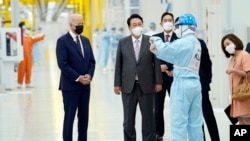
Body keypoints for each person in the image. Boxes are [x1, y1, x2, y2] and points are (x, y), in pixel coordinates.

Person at [150, 13, 204, 141]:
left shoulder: (183, 42)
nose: (176, 29)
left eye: (178, 26)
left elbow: (166, 49)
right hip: (195, 85)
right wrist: (157, 52)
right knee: (195, 123)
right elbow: (176, 57)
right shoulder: (195, 42)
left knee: (178, 123)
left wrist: (154, 39)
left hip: (182, 85)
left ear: (185, 27)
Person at [114, 13, 163, 141]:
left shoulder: (150, 41)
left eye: (140, 24)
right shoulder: (123, 42)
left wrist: (158, 82)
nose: (138, 27)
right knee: (128, 121)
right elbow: (118, 64)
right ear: (129, 27)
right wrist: (117, 84)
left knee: (148, 120)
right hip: (128, 87)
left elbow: (156, 62)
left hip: (146, 86)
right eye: (134, 25)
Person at [56, 13, 96, 141]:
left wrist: (89, 75)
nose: (80, 26)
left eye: (82, 24)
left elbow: (91, 61)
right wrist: (78, 78)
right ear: (70, 25)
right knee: (70, 117)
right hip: (70, 86)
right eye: (78, 24)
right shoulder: (62, 41)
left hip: (85, 86)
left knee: (84, 117)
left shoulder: (85, 40)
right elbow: (63, 64)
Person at [152, 12, 178, 141]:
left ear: (173, 23)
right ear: (161, 23)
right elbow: (152, 57)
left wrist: (167, 66)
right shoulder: (155, 38)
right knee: (157, 107)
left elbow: (179, 56)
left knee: (177, 106)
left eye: (170, 20)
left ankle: (177, 132)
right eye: (165, 20)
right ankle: (159, 133)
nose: (168, 22)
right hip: (159, 78)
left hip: (174, 77)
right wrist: (159, 67)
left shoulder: (179, 39)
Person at [221, 33, 250, 125]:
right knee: (241, 122)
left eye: (228, 43)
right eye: (225, 46)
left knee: (246, 121)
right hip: (236, 97)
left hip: (244, 95)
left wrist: (234, 70)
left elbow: (248, 74)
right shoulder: (233, 58)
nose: (227, 47)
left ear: (235, 41)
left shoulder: (244, 55)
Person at [7, 22, 45, 88]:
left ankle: (28, 82)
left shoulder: (30, 38)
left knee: (28, 69)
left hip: (29, 56)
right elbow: (12, 35)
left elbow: (38, 38)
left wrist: (43, 34)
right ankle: (19, 82)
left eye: (27, 29)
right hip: (22, 56)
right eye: (24, 28)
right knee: (21, 69)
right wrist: (7, 32)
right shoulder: (19, 37)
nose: (26, 30)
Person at [198, 38, 220, 141]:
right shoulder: (176, 43)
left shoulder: (199, 42)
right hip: (189, 84)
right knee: (197, 116)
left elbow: (207, 62)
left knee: (206, 113)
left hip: (200, 83)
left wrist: (207, 79)